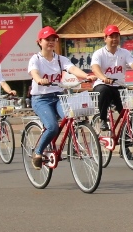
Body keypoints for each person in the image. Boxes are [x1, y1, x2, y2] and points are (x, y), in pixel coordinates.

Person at [27, 26, 91, 168]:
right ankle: (38, 152)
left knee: (71, 117)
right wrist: (39, 80)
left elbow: (72, 69)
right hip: (40, 99)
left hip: (58, 97)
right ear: (39, 42)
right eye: (47, 39)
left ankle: (73, 145)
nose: (51, 42)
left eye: (53, 39)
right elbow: (34, 72)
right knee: (52, 126)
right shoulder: (35, 59)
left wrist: (86, 76)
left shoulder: (60, 59)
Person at [90, 24, 133, 131]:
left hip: (119, 86)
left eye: (116, 36)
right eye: (111, 36)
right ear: (105, 38)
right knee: (103, 90)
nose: (114, 39)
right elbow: (95, 68)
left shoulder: (124, 52)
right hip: (103, 84)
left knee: (129, 114)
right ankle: (103, 119)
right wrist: (103, 78)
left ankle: (126, 141)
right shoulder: (98, 54)